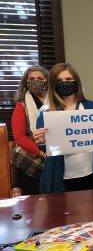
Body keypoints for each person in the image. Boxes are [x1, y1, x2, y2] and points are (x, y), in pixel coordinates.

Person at [33, 63, 93, 193]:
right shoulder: (45, 111)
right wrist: (42, 141)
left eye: (68, 79)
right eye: (59, 81)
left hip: (90, 174)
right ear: (53, 84)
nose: (64, 83)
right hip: (61, 176)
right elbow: (44, 147)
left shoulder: (91, 107)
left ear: (76, 81)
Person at [11, 65, 49, 195]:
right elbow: (19, 137)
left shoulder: (57, 101)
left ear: (47, 80)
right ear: (26, 83)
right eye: (31, 79)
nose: (36, 81)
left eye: (40, 78)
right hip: (29, 159)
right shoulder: (22, 104)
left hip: (54, 155)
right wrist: (41, 153)